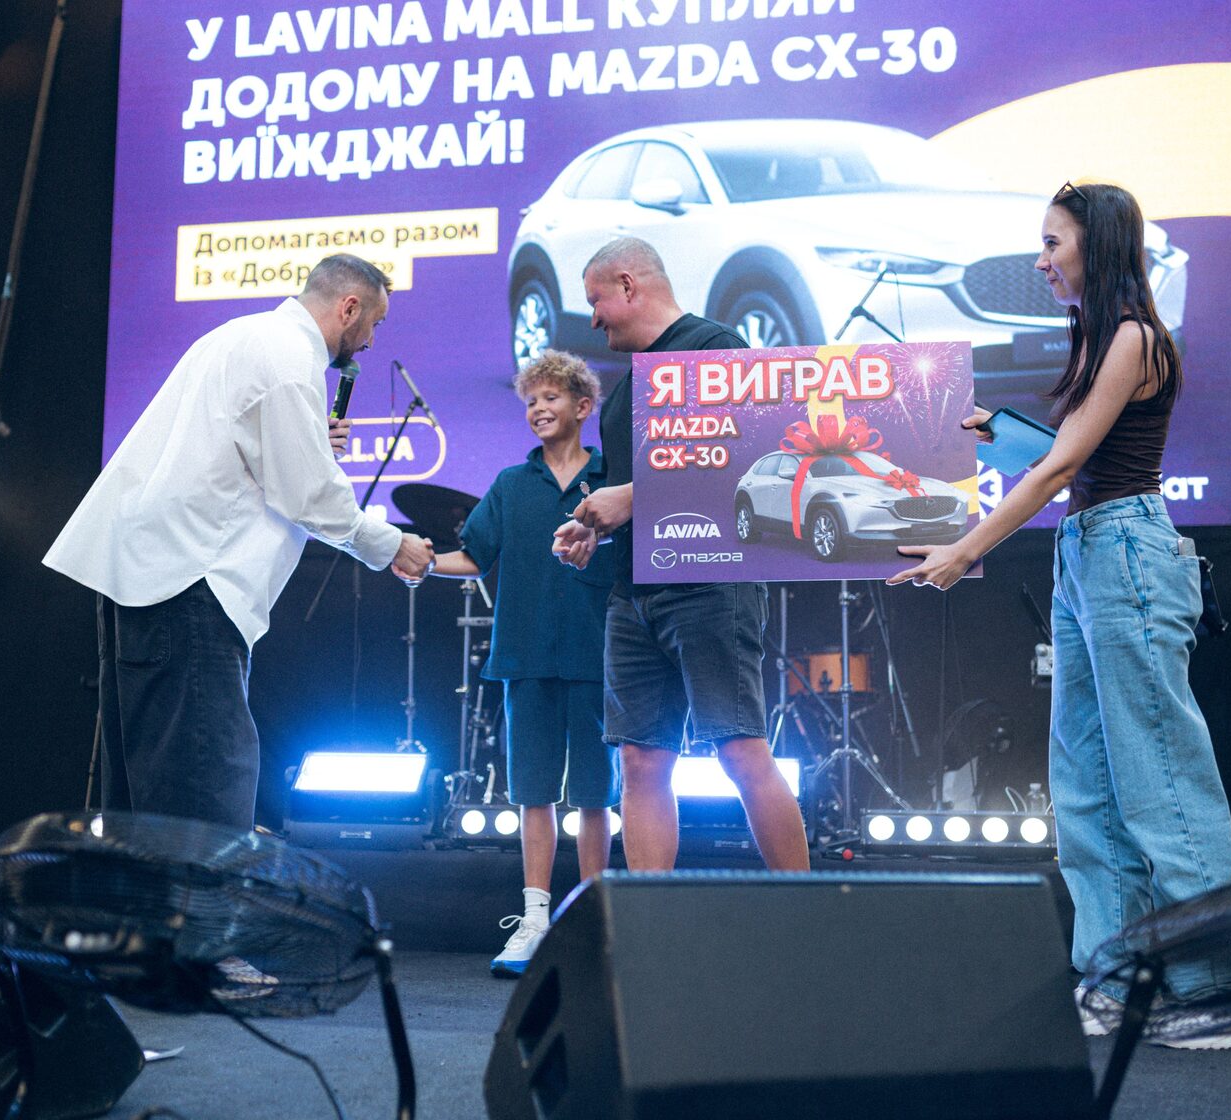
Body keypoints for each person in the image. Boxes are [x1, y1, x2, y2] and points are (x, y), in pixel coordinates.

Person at [888, 182, 1231, 1048]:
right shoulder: (1096, 335)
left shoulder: (1133, 335)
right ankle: (1118, 979)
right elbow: (1072, 455)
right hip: (1089, 553)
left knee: (1161, 777)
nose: (1041, 260)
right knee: (1085, 784)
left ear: (1100, 244)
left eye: (1053, 243)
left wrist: (966, 548)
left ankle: (1220, 988)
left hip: (1129, 551)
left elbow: (1063, 471)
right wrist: (1002, 432)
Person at [44, 254, 435, 831]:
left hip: (150, 575)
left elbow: (234, 450)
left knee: (143, 802)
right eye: (374, 323)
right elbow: (308, 494)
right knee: (203, 798)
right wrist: (390, 543)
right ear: (349, 308)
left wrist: (305, 438)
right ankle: (197, 897)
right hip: (191, 581)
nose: (372, 341)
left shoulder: (239, 335)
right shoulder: (289, 360)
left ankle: (145, 896)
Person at [552, 237, 810, 874]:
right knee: (639, 761)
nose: (592, 318)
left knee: (740, 750)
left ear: (628, 285)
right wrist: (594, 529)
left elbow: (753, 464)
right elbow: (632, 500)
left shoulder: (716, 349)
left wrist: (632, 497)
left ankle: (806, 913)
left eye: (596, 300)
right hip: (632, 595)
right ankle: (649, 920)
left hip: (711, 588)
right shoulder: (622, 396)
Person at [412, 350, 619, 976]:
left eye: (550, 398)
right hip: (524, 654)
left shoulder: (613, 480)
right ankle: (534, 920)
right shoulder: (509, 484)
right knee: (533, 791)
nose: (538, 409)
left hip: (597, 654)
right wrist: (417, 560)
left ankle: (595, 920)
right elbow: (473, 557)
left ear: (583, 406)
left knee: (595, 794)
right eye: (531, 401)